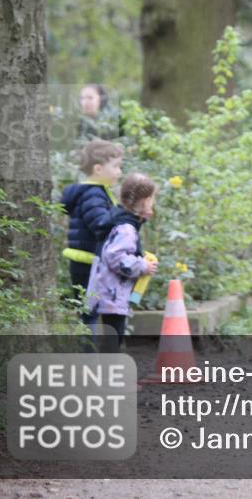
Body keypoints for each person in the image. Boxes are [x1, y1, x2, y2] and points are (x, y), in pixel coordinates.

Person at [86, 173, 159, 351]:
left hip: (103, 288)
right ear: (145, 200)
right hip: (112, 292)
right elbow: (116, 257)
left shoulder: (117, 217)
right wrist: (143, 266)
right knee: (113, 338)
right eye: (152, 200)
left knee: (104, 335)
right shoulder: (126, 229)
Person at [60, 139, 123, 299]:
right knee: (89, 310)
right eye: (116, 166)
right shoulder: (93, 194)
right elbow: (100, 225)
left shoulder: (93, 192)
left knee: (87, 307)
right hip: (89, 263)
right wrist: (123, 214)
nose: (119, 172)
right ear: (98, 169)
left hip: (85, 261)